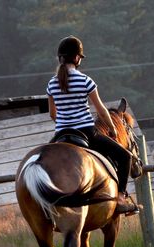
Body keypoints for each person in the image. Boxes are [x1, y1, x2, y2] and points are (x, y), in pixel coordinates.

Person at [46, 35, 139, 215]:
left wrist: (65, 123)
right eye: (80, 56)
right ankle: (120, 198)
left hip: (61, 134)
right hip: (87, 132)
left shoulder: (51, 83)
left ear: (60, 58)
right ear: (76, 58)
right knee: (125, 156)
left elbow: (52, 114)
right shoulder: (85, 80)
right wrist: (112, 129)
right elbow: (102, 111)